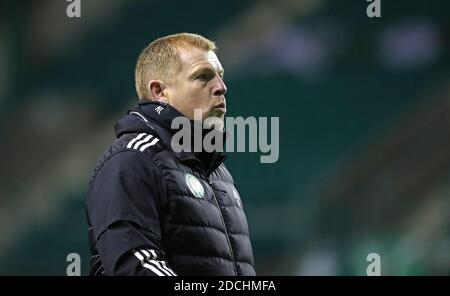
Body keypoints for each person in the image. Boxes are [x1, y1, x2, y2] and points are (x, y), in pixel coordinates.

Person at [86, 33, 256, 276]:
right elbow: (134, 265)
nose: (221, 87)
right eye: (202, 77)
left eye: (220, 76)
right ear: (159, 92)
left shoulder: (217, 172)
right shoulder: (131, 160)